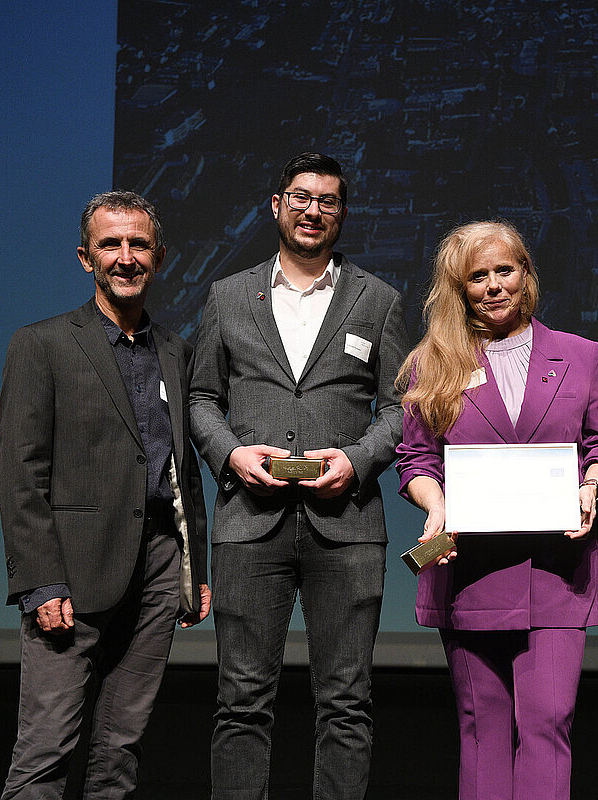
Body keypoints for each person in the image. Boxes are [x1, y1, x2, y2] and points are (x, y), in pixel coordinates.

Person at [190, 152, 408, 800]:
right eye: (302, 197)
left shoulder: (379, 300)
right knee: (240, 702)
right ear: (277, 205)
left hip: (347, 527)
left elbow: (400, 409)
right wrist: (232, 455)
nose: (314, 210)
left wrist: (358, 461)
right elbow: (201, 399)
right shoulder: (228, 295)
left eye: (328, 201)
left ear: (343, 213)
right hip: (248, 525)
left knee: (346, 703)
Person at [396, 220, 598, 800]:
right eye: (479, 276)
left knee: (548, 723)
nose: (495, 285)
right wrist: (434, 504)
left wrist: (592, 486)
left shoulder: (580, 355)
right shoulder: (433, 363)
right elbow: (416, 458)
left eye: (505, 270)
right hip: (470, 575)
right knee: (483, 729)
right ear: (460, 288)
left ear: (527, 274)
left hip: (557, 573)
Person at [0, 190, 210, 799]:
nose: (125, 256)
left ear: (159, 257)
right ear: (85, 258)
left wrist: (194, 569)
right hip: (72, 573)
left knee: (120, 752)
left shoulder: (176, 351)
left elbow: (183, 469)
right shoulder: (41, 344)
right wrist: (41, 581)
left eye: (138, 244)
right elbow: (21, 474)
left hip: (159, 570)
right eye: (109, 244)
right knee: (45, 751)